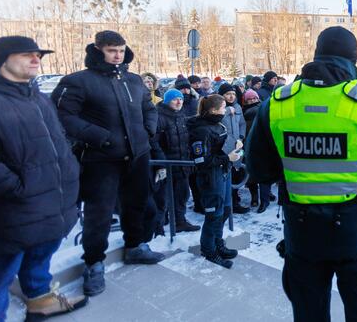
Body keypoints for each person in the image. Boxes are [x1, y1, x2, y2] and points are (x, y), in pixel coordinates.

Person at [245, 27, 357, 321]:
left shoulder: (278, 103)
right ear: (354, 58)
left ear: (316, 54)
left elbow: (258, 169)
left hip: (302, 235)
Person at [52, 30, 162, 297]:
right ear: (98, 49)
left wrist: (147, 131)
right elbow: (61, 115)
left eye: (121, 50)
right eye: (112, 50)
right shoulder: (78, 81)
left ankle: (134, 246)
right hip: (101, 159)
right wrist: (100, 137)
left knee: (136, 204)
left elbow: (149, 108)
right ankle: (94, 263)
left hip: (137, 154)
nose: (117, 55)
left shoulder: (134, 80)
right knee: (98, 214)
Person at [0, 36, 87, 320]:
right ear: (2, 60)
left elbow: (56, 142)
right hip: (13, 210)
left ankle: (39, 301)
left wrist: (70, 175)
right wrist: (20, 190)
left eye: (38, 55)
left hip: (51, 204)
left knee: (40, 257)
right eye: (26, 55)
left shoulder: (38, 97)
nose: (36, 59)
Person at [188, 95, 240, 269]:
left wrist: (235, 145)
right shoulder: (201, 130)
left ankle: (218, 243)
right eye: (223, 107)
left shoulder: (218, 124)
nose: (225, 110)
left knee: (224, 211)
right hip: (210, 178)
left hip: (222, 173)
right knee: (214, 215)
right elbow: (200, 160)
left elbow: (222, 145)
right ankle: (208, 250)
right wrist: (227, 157)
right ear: (212, 110)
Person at [150, 88, 200, 232]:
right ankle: (159, 225)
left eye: (181, 99)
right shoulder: (159, 117)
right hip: (167, 165)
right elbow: (154, 142)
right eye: (175, 99)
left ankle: (179, 221)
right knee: (163, 198)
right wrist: (162, 163)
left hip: (182, 164)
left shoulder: (180, 115)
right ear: (167, 101)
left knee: (182, 194)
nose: (179, 102)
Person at [218, 83, 249, 214]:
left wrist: (241, 137)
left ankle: (235, 201)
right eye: (228, 94)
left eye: (233, 94)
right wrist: (225, 112)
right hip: (224, 147)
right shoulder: (217, 107)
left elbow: (242, 123)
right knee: (225, 175)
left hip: (237, 145)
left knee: (237, 172)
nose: (231, 97)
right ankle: (226, 203)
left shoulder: (237, 107)